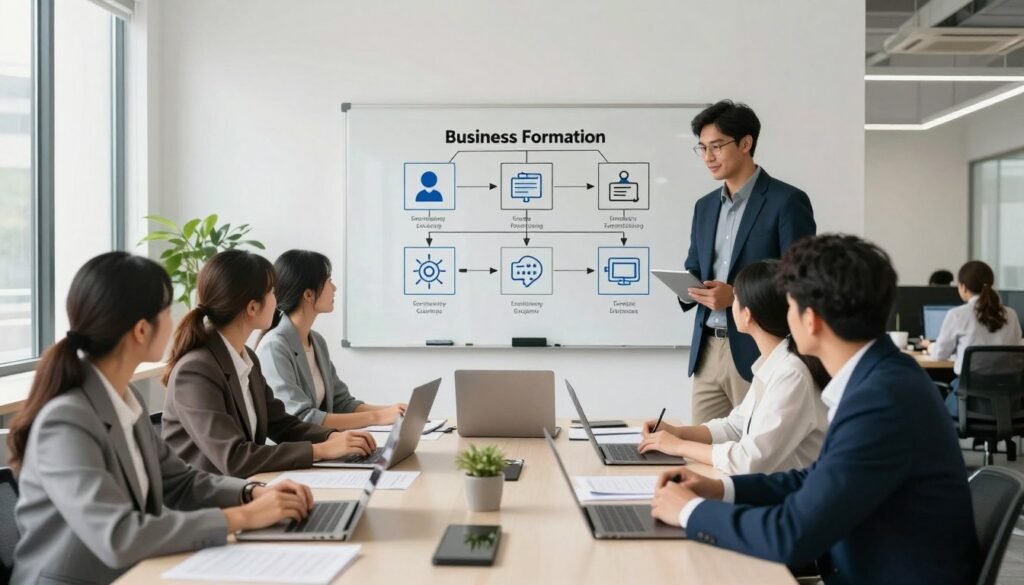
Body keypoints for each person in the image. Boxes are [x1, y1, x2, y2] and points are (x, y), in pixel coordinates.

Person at [649, 235, 980, 585]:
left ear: (811, 320)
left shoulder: (880, 400)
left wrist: (689, 511)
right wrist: (720, 490)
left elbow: (792, 534)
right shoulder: (883, 375)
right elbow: (816, 478)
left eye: (789, 306)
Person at [7, 252, 316, 585]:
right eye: (166, 311)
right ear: (142, 330)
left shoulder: (125, 399)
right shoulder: (65, 422)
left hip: (139, 573)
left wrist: (251, 492)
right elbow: (119, 536)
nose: (174, 321)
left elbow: (180, 481)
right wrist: (242, 517)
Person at [161, 249, 377, 478]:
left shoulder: (246, 358)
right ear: (253, 307)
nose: (278, 298)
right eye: (272, 292)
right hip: (208, 504)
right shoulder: (196, 370)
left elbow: (283, 424)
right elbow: (234, 458)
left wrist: (332, 437)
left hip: (244, 488)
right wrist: (321, 450)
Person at [680, 100, 816, 424]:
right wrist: (687, 286)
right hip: (707, 351)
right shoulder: (704, 207)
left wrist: (736, 296)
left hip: (760, 348)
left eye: (716, 146)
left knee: (755, 453)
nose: (708, 157)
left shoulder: (787, 201)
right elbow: (695, 265)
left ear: (745, 143)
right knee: (703, 450)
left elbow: (801, 280)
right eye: (701, 148)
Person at [638, 260, 829, 474]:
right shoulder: (772, 363)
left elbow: (747, 461)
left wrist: (678, 446)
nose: (731, 306)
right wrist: (677, 433)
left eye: (735, 298)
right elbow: (735, 427)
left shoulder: (792, 374)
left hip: (785, 498)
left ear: (747, 314)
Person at [256, 250, 406, 430]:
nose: (334, 288)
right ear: (309, 294)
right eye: (329, 281)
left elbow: (341, 403)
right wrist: (378, 417)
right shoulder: (274, 347)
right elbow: (302, 418)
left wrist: (394, 411)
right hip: (295, 452)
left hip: (320, 446)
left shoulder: (317, 341)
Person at [922, 260, 1022, 417]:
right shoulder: (1011, 314)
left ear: (962, 287)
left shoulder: (958, 314)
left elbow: (940, 354)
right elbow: (1015, 352)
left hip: (969, 402)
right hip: (1008, 402)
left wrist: (929, 346)